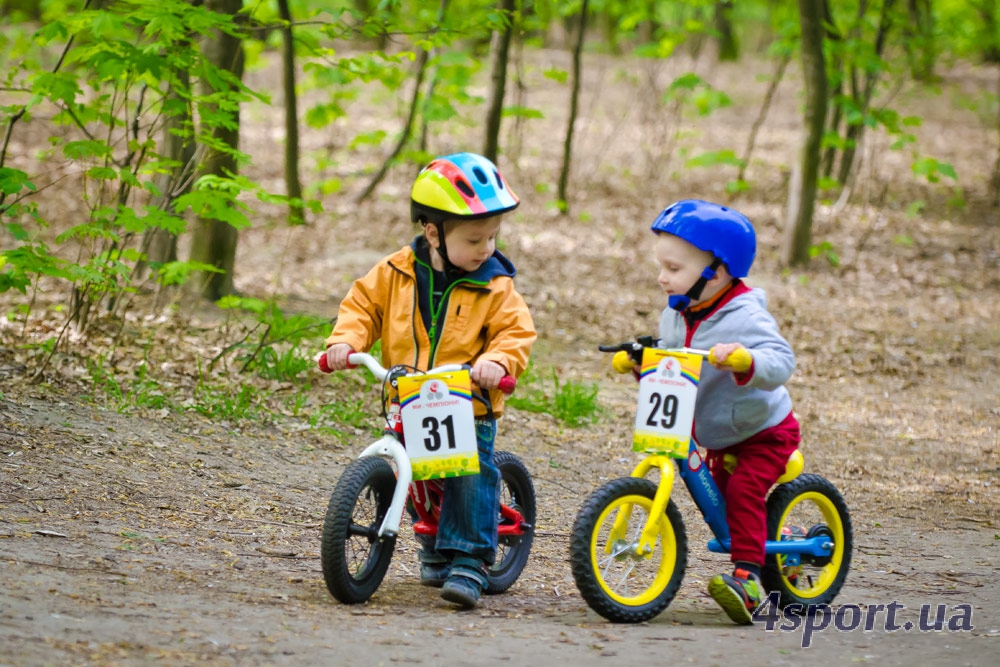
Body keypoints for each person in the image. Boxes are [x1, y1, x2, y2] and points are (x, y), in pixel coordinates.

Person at [323, 152, 536, 609]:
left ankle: (471, 561)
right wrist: (345, 341)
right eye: (475, 238)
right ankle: (434, 547)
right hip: (412, 392)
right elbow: (363, 307)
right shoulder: (395, 272)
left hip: (468, 399)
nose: (487, 248)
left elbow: (515, 331)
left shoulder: (494, 285)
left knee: (466, 471)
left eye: (493, 237)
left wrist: (498, 362)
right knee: (414, 467)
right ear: (432, 232)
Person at [650, 199, 799, 625]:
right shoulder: (677, 312)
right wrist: (642, 364)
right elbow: (673, 362)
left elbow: (781, 361)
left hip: (763, 431)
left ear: (715, 271)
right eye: (661, 266)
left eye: (674, 269)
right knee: (720, 503)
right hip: (717, 430)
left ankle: (749, 581)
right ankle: (778, 540)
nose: (663, 278)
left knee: (742, 495)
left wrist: (745, 359)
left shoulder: (746, 316)